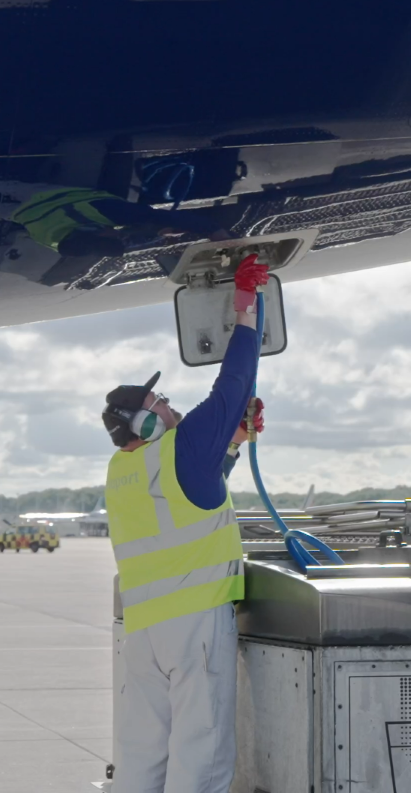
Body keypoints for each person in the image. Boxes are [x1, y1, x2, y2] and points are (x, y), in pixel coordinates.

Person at [104, 253, 269, 793]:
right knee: (202, 752)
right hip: (194, 624)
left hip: (144, 631)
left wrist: (232, 443)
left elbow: (191, 496)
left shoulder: (123, 471)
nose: (170, 406)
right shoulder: (180, 445)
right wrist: (247, 305)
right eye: (161, 402)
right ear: (146, 422)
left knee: (142, 752)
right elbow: (234, 383)